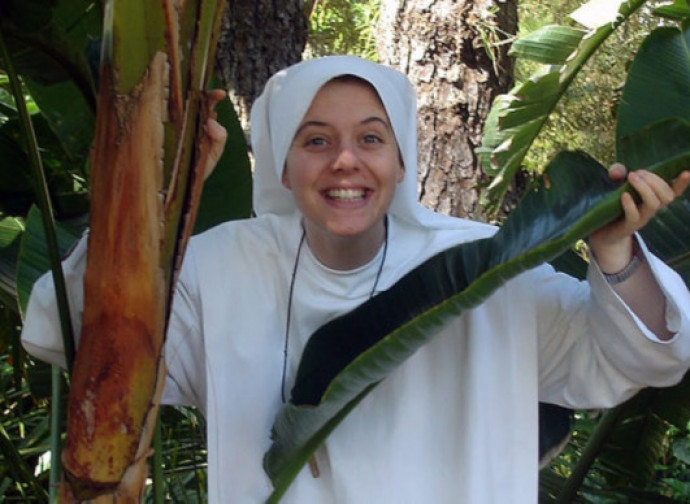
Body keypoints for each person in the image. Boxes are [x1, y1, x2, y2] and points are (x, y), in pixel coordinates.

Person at [21, 56, 690, 503]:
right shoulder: (221, 266)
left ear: (400, 161)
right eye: (315, 140)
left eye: (371, 139)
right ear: (281, 165)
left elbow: (635, 357)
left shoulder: (481, 265)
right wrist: (160, 196)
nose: (345, 161)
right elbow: (70, 331)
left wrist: (614, 248)